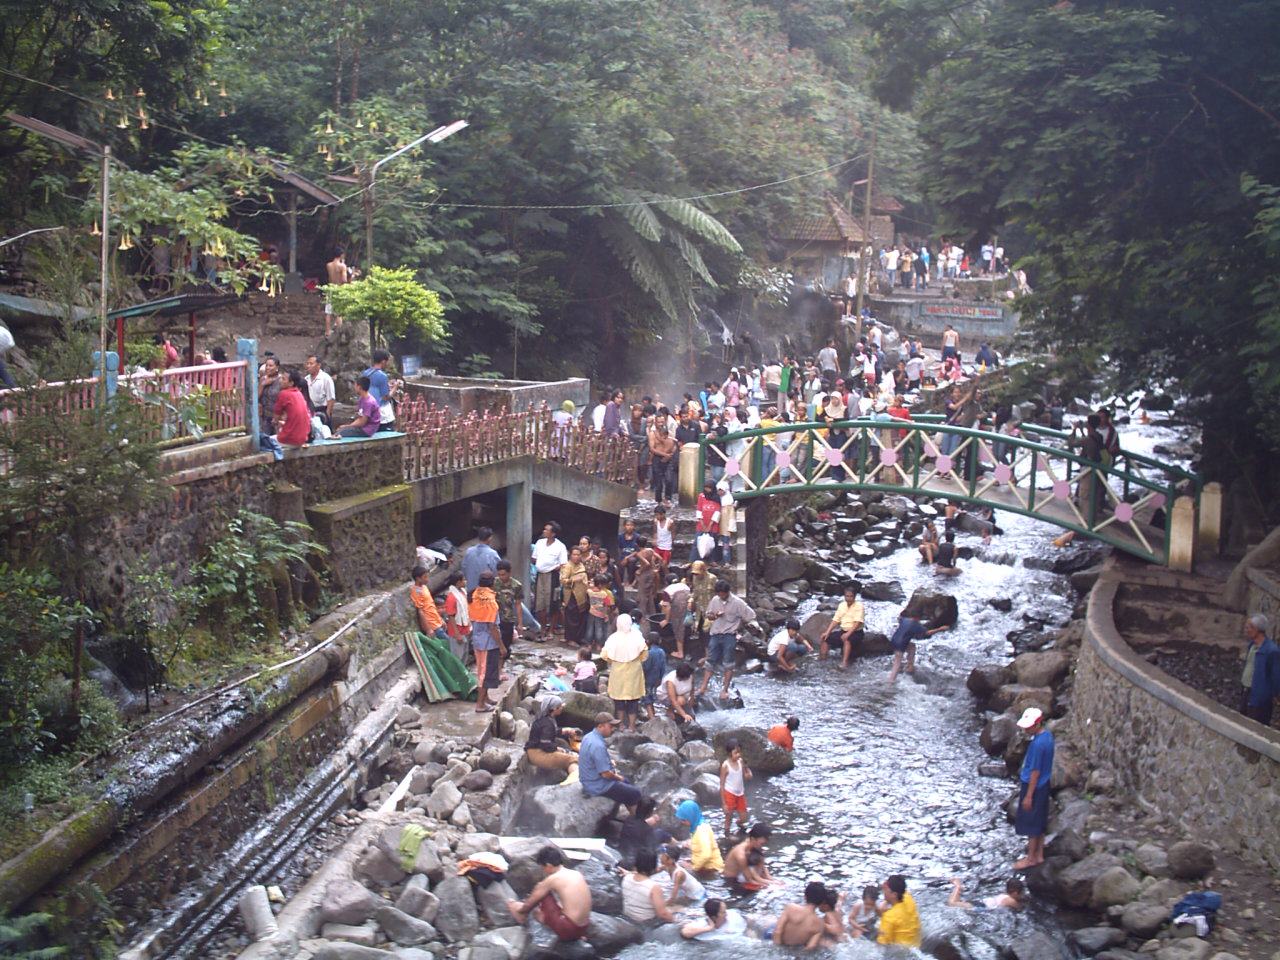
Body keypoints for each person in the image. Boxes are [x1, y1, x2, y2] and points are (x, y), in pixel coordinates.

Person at [507, 846, 592, 943]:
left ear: (548, 865)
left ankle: (524, 915)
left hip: (568, 930)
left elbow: (531, 902)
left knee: (542, 891)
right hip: (583, 928)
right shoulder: (576, 874)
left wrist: (522, 910)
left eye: (543, 867)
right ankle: (546, 917)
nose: (543, 870)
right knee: (550, 894)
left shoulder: (553, 879)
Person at [700, 580, 756, 701]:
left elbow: (751, 615)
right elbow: (708, 615)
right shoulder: (715, 600)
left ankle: (724, 690)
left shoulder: (737, 602)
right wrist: (715, 615)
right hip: (715, 633)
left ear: (727, 592)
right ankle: (703, 687)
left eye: (722, 594)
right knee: (710, 661)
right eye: (719, 594)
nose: (720, 596)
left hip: (729, 635)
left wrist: (739, 624)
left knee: (728, 663)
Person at [1014, 707, 1055, 869]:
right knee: (1040, 821)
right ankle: (1039, 854)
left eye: (1028, 726)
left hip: (1035, 787)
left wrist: (1028, 795)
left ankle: (1030, 858)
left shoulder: (1038, 745)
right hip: (1044, 785)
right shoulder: (1048, 737)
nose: (1025, 729)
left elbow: (1035, 772)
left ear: (1037, 724)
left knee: (1032, 823)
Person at [578, 712, 641, 807]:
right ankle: (635, 819)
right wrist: (619, 778)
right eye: (610, 726)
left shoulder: (588, 737)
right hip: (597, 786)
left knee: (627, 782)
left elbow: (592, 759)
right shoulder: (598, 745)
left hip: (587, 780)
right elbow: (606, 774)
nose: (613, 729)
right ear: (600, 726)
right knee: (635, 793)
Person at [602, 614, 648, 731]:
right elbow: (645, 653)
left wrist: (614, 660)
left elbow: (604, 655)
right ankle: (632, 726)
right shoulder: (637, 636)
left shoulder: (613, 638)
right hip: (634, 672)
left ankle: (621, 725)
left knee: (619, 700)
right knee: (633, 700)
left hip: (618, 673)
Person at [468, 571, 503, 713]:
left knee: (481, 671)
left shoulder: (474, 595)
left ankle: (485, 698)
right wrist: (501, 645)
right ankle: (480, 704)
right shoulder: (491, 602)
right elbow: (493, 627)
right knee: (485, 674)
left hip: (477, 639)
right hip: (489, 642)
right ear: (492, 583)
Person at [525, 696, 579, 776]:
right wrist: (558, 749)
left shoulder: (545, 718)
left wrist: (565, 730)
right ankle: (576, 780)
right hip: (537, 754)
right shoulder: (547, 724)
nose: (562, 708)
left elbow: (550, 733)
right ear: (554, 709)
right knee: (571, 759)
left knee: (569, 754)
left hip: (535, 750)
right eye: (560, 706)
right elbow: (545, 744)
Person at [888, 610, 948, 683]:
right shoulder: (916, 625)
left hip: (893, 640)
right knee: (897, 663)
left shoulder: (904, 620)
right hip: (901, 644)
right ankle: (891, 681)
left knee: (912, 646)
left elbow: (899, 618)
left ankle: (909, 666)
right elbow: (927, 633)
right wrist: (940, 629)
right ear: (917, 618)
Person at [621, 848, 677, 925]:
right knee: (676, 909)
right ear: (653, 867)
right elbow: (663, 914)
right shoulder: (654, 887)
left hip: (627, 918)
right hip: (646, 923)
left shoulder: (626, 878)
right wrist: (676, 921)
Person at [1241, 613, 1279, 726]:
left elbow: (1276, 677)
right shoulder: (1252, 646)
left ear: (1256, 629)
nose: (1246, 630)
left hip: (1260, 699)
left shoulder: (1271, 651)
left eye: (1248, 627)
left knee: (1255, 726)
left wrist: (1276, 695)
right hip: (1246, 692)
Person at [532, 522, 568, 641]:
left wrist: (552, 567)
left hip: (552, 576)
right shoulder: (540, 543)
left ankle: (551, 629)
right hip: (540, 575)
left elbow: (563, 564)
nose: (544, 531)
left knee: (553, 603)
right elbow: (534, 558)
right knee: (539, 602)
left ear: (553, 533)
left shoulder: (560, 546)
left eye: (547, 530)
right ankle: (543, 628)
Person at [771, 881, 828, 950]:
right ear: (822, 902)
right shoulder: (820, 924)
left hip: (776, 943)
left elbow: (778, 931)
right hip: (792, 951)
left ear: (805, 896)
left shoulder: (791, 908)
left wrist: (777, 949)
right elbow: (810, 947)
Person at [819, 584, 864, 669]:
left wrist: (848, 634)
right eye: (847, 596)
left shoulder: (859, 606)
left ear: (854, 597)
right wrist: (827, 632)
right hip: (843, 630)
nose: (849, 598)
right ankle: (822, 659)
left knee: (847, 639)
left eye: (851, 596)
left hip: (856, 632)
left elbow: (857, 623)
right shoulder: (842, 605)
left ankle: (844, 663)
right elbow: (836, 620)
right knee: (825, 638)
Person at [675, 799, 724, 874]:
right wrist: (690, 845)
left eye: (684, 820)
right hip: (704, 866)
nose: (682, 822)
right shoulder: (696, 827)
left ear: (690, 817)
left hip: (712, 870)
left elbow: (706, 855)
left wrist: (693, 868)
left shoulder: (702, 830)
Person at [719, 737, 752, 838]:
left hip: (740, 793)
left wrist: (748, 771)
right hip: (729, 793)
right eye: (736, 753)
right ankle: (727, 835)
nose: (738, 755)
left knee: (744, 817)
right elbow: (721, 785)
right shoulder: (725, 765)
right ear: (729, 753)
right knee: (728, 817)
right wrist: (724, 803)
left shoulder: (740, 761)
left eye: (739, 752)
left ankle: (738, 824)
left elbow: (746, 776)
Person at [877, 875, 922, 947]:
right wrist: (886, 901)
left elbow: (881, 945)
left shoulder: (889, 917)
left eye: (886, 890)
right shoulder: (908, 898)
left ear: (894, 894)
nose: (883, 891)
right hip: (916, 945)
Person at [494, 560, 526, 655]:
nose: (501, 577)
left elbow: (518, 604)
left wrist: (520, 623)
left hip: (508, 619)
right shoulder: (494, 583)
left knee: (506, 645)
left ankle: (501, 666)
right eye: (499, 574)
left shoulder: (516, 585)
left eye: (503, 574)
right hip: (494, 618)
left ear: (509, 573)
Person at [273, 370, 312, 446]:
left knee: (264, 442)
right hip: (302, 438)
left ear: (291, 383)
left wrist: (276, 421)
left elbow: (276, 417)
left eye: (283, 379)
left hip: (289, 439)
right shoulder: (299, 394)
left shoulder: (284, 394)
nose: (280, 381)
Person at [681, 898, 748, 941]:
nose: (727, 914)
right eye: (723, 912)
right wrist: (709, 928)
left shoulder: (733, 916)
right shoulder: (704, 924)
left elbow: (748, 921)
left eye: (725, 910)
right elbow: (685, 932)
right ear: (714, 917)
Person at [410, 565, 447, 642]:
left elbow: (431, 605)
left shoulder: (424, 587)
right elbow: (420, 611)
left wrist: (440, 620)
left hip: (437, 622)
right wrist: (428, 629)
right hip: (432, 625)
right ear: (418, 578)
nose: (427, 579)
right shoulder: (416, 591)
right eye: (425, 577)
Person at [648, 411, 678, 505]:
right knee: (659, 482)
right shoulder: (652, 434)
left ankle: (668, 498)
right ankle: (658, 501)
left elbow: (675, 444)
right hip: (657, 459)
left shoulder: (668, 432)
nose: (661, 424)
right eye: (659, 422)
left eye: (662, 422)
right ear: (655, 422)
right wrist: (664, 455)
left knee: (669, 479)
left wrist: (671, 454)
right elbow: (652, 449)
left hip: (669, 458)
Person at [324, 246, 355, 335]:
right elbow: (344, 280)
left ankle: (327, 331)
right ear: (341, 255)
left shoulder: (328, 265)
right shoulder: (342, 266)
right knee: (339, 312)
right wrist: (351, 276)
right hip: (339, 289)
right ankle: (339, 332)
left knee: (328, 312)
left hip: (330, 288)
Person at [948, 877, 1026, 910]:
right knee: (952, 904)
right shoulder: (1010, 900)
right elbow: (1020, 908)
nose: (1022, 894)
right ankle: (958, 886)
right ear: (1015, 893)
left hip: (982, 902)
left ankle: (958, 887)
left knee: (956, 904)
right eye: (1022, 892)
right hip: (983, 907)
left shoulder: (1004, 895)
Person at [442, 572, 471, 662]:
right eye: (464, 580)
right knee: (457, 657)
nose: (466, 581)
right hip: (457, 631)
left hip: (464, 629)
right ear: (458, 582)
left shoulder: (462, 592)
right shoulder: (452, 597)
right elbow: (451, 616)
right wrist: (457, 634)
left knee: (464, 655)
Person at [462, 526, 501, 593]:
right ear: (490, 538)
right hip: (486, 594)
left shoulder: (469, 551)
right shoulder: (492, 554)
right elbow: (498, 573)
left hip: (471, 592)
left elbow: (464, 569)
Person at [585, 574, 616, 651]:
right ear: (600, 585)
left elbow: (587, 589)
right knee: (599, 630)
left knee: (590, 629)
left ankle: (589, 644)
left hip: (591, 612)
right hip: (601, 615)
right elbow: (608, 604)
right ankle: (599, 645)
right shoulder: (604, 594)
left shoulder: (590, 592)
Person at [304, 355, 336, 426]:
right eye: (307, 363)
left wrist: (328, 414)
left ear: (318, 365)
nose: (308, 366)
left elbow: (331, 398)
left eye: (311, 364)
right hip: (309, 410)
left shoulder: (326, 378)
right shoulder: (306, 379)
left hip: (322, 410)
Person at [257, 355, 283, 437]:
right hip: (265, 416)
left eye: (271, 366)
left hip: (278, 416)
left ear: (277, 367)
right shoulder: (263, 379)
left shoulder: (282, 380)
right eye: (266, 365)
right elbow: (257, 397)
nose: (267, 368)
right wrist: (262, 385)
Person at [617, 518, 640, 584]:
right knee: (620, 562)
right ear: (624, 526)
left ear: (634, 526)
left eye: (631, 525)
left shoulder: (637, 537)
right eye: (628, 525)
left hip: (634, 556)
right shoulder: (620, 536)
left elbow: (637, 551)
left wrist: (627, 558)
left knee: (631, 561)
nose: (629, 527)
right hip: (623, 555)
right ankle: (620, 582)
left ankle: (630, 581)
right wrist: (622, 557)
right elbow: (620, 548)